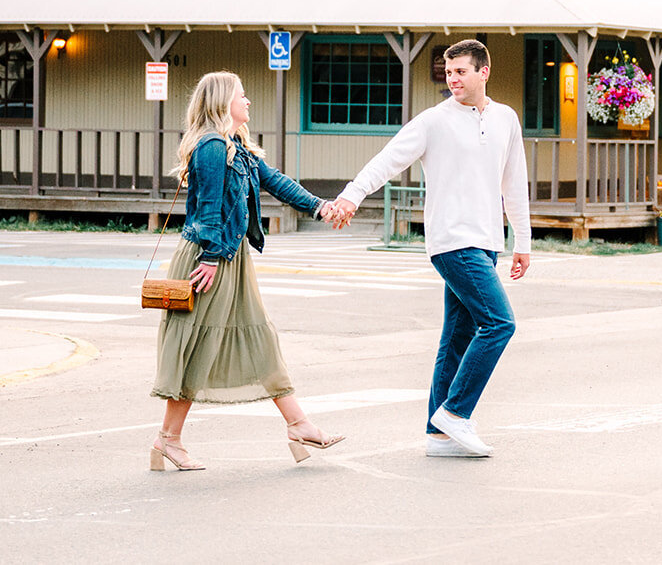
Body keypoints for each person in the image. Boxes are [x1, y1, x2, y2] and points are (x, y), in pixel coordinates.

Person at [329, 39, 531, 459]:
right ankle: (456, 413)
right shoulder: (433, 121)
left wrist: (522, 242)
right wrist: (352, 195)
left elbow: (514, 184)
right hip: (452, 242)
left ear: (483, 72)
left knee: (456, 338)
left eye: (460, 71)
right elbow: (388, 160)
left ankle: (438, 436)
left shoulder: (506, 119)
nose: (452, 78)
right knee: (499, 324)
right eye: (449, 71)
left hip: (487, 241)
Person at [150, 72, 346, 471]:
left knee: (259, 337)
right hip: (211, 257)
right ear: (225, 102)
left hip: (229, 257)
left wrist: (320, 207)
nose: (249, 101)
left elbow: (277, 182)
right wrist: (210, 258)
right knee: (197, 344)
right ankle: (167, 439)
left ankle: (298, 423)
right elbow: (208, 209)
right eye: (243, 95)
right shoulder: (210, 147)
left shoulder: (237, 147)